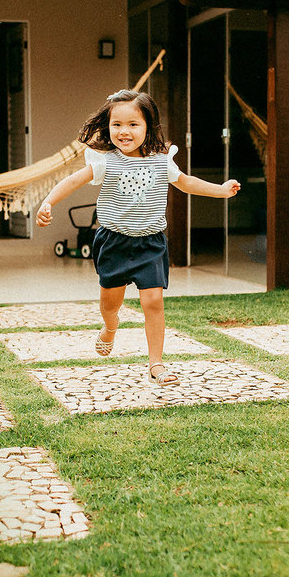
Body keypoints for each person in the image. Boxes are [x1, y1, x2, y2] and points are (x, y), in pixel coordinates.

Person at [36, 89, 240, 387]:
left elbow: (186, 183)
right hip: (114, 242)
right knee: (110, 303)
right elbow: (72, 180)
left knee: (153, 301)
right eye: (117, 124)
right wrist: (48, 202)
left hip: (150, 242)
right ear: (108, 127)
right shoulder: (106, 162)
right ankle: (110, 327)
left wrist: (220, 190)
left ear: (148, 126)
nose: (124, 131)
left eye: (133, 124)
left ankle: (156, 364)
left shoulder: (162, 161)